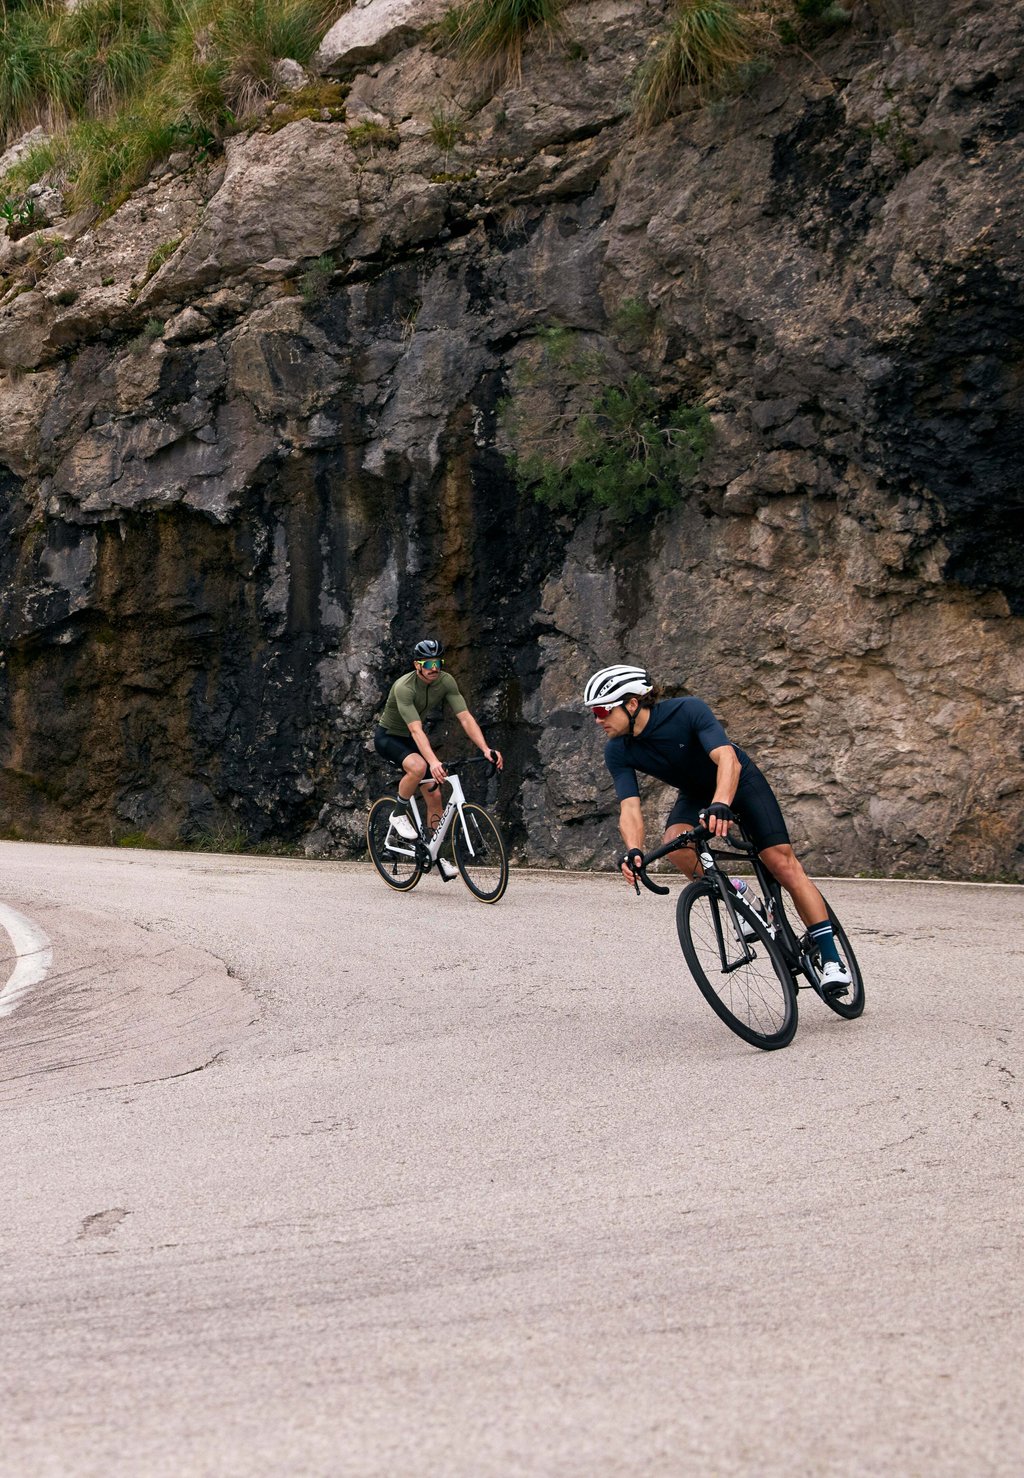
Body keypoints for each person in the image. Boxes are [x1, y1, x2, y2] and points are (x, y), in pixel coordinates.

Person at [584, 663, 851, 990]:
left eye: (601, 710)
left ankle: (833, 959)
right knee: (676, 843)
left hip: (740, 781)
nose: (597, 720)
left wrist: (722, 803)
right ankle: (733, 891)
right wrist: (634, 851)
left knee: (781, 862)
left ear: (632, 703)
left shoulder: (687, 710)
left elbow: (727, 758)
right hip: (697, 794)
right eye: (593, 713)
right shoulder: (617, 750)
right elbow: (630, 808)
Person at [374, 639, 504, 876]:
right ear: (417, 665)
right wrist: (433, 762)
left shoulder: (445, 681)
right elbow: (415, 729)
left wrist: (485, 749)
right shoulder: (404, 687)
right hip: (389, 737)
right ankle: (398, 813)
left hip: (413, 739)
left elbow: (465, 717)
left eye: (438, 662)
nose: (435, 668)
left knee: (434, 793)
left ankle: (435, 853)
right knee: (418, 766)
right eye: (428, 663)